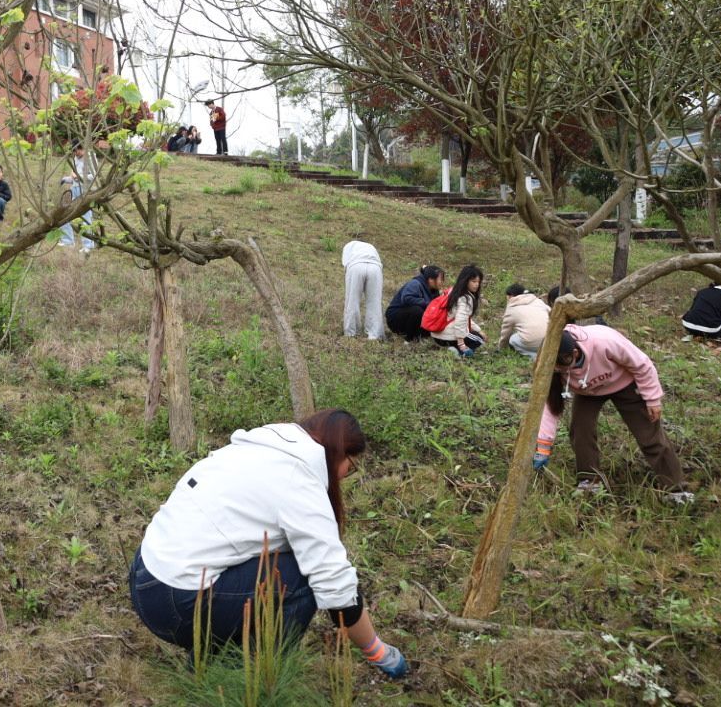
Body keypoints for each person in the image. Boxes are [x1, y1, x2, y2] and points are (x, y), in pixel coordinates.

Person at [129, 409, 409, 679]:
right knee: (302, 578)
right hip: (176, 604)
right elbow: (336, 587)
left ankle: (211, 658)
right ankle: (239, 676)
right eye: (352, 466)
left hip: (144, 578)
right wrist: (379, 652)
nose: (346, 475)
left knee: (280, 561)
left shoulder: (256, 450)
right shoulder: (298, 480)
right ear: (340, 453)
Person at [534, 325, 693, 503]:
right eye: (555, 368)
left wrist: (652, 399)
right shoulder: (550, 363)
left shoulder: (604, 342)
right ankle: (589, 482)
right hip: (588, 392)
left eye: (561, 366)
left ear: (575, 353)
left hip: (624, 383)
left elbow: (642, 365)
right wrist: (543, 446)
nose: (559, 371)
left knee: (649, 434)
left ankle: (676, 489)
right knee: (581, 431)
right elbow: (550, 406)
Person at [430, 264, 486, 359]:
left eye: (478, 282)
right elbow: (461, 320)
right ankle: (458, 351)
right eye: (473, 281)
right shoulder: (465, 298)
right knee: (479, 339)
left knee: (476, 334)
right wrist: (461, 343)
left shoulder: (452, 291)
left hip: (436, 336)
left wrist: (478, 329)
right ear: (465, 281)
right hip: (447, 337)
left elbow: (465, 318)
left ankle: (450, 347)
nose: (477, 284)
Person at [340, 240, 384, 340]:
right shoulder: (371, 247)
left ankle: (351, 332)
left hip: (355, 266)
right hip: (375, 268)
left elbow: (345, 264)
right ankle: (374, 334)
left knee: (352, 300)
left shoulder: (348, 246)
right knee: (374, 302)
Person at [384, 265, 443, 341]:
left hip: (410, 318)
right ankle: (409, 339)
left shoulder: (434, 291)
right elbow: (407, 298)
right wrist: (428, 304)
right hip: (395, 319)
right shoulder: (415, 283)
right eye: (440, 279)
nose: (442, 282)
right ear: (431, 279)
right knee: (417, 310)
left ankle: (417, 335)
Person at [59, 146, 97, 252]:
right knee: (65, 214)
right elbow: (73, 178)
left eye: (76, 151)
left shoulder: (91, 158)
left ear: (82, 148)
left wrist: (79, 176)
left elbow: (94, 176)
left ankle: (88, 245)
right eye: (74, 152)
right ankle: (67, 241)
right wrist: (65, 179)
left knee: (86, 219)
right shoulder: (75, 159)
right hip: (74, 190)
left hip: (85, 192)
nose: (75, 153)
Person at [498, 283, 551, 359]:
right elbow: (551, 312)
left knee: (512, 339)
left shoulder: (511, 309)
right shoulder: (538, 301)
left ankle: (534, 356)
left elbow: (505, 334)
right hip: (550, 340)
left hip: (533, 343)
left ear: (510, 296)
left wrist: (501, 348)